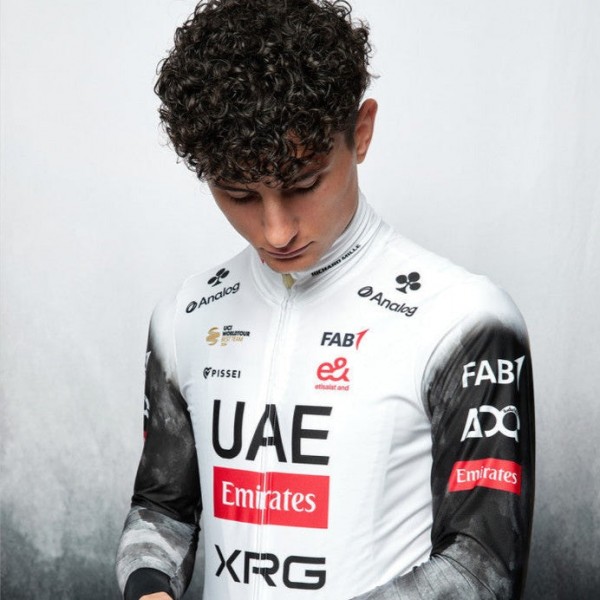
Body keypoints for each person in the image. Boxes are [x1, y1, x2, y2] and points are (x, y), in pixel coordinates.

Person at [115, 1, 535, 598]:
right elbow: (161, 511)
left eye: (304, 183)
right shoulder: (183, 317)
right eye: (239, 194)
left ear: (361, 133)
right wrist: (150, 589)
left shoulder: (466, 321)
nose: (276, 231)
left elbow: (481, 567)